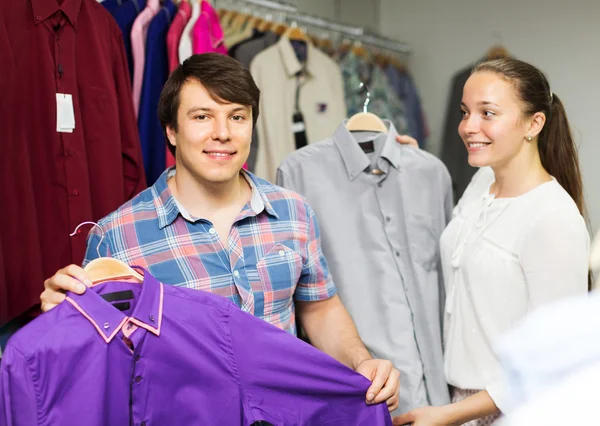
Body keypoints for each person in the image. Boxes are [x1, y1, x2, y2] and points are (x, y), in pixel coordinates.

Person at [40, 53, 400, 411]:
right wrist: (60, 318)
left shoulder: (294, 212)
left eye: (237, 117)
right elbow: (95, 359)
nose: (223, 134)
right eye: (202, 117)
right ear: (171, 130)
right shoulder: (117, 236)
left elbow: (319, 308)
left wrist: (359, 362)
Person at [393, 57, 590, 425]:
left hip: (510, 411)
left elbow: (551, 361)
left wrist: (451, 414)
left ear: (534, 123)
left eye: (488, 113)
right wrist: (410, 164)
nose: (469, 126)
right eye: (466, 112)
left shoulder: (553, 219)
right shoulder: (483, 180)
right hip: (455, 400)